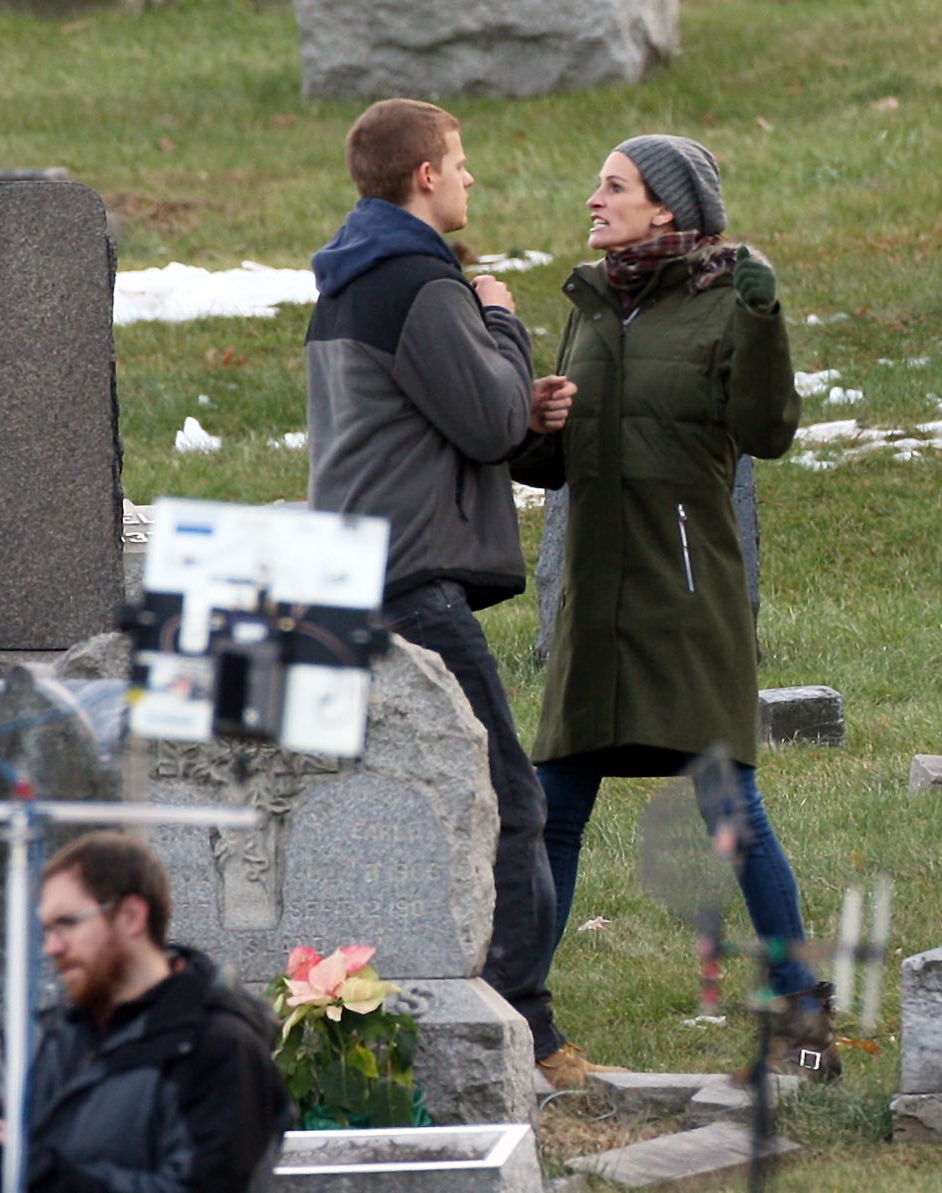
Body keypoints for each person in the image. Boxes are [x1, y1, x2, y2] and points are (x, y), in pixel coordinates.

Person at [512, 134, 840, 1081]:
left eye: (612, 185)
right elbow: (550, 465)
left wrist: (765, 318)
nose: (593, 198)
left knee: (732, 811)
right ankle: (517, 1019)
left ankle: (803, 1027)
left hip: (688, 603)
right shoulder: (589, 304)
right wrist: (533, 421)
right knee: (553, 810)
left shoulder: (726, 303)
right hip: (594, 609)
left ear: (666, 207)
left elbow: (769, 430)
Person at [304, 98, 607, 1091]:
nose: (470, 177)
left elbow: (448, 415)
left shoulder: (350, 280)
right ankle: (524, 1032)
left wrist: (514, 400)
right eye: (459, 161)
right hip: (408, 583)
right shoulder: (422, 282)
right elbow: (484, 422)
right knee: (508, 801)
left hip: (351, 575)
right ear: (424, 176)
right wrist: (502, 324)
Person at [0, 831, 292, 1193]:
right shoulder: (57, 1035)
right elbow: (40, 1149)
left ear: (131, 916)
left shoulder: (219, 1047)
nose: (51, 947)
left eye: (67, 923)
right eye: (46, 930)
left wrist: (45, 1175)